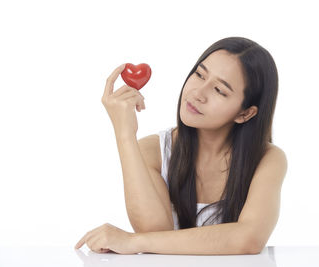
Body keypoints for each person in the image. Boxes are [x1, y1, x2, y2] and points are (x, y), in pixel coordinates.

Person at [75, 36, 288, 255]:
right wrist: (125, 135)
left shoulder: (268, 159)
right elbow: (153, 231)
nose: (197, 93)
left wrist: (132, 241)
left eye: (219, 90)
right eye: (199, 74)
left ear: (245, 113)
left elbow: (249, 239)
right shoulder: (153, 151)